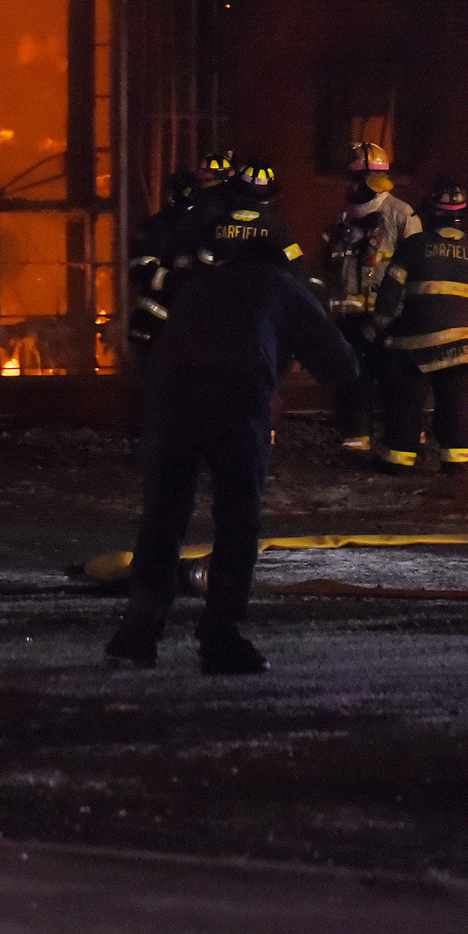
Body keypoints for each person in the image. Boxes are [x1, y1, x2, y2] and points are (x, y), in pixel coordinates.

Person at [104, 210, 357, 675]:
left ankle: (137, 633)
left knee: (163, 516)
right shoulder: (283, 286)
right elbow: (341, 367)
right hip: (235, 402)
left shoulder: (206, 283)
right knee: (238, 522)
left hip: (170, 399)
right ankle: (221, 638)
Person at [373, 179, 468, 474]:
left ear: (430, 213)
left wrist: (380, 326)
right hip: (466, 349)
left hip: (415, 349)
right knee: (457, 409)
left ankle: (398, 462)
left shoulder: (413, 247)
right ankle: (456, 467)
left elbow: (390, 293)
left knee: (406, 406)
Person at [322, 142, 421, 462]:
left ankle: (402, 439)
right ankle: (355, 444)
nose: (353, 188)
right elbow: (330, 269)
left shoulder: (401, 214)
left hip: (390, 318)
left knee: (395, 382)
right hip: (350, 321)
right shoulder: (342, 219)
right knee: (353, 381)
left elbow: (416, 269)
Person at [125, 171, 195, 354]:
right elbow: (139, 269)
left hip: (186, 329)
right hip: (153, 327)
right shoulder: (158, 227)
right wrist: (175, 280)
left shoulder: (204, 227)